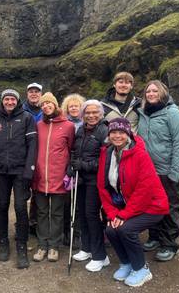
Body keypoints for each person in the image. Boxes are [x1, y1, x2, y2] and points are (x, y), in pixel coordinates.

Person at [97, 118, 169, 287]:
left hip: (153, 206)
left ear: (128, 134)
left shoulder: (140, 154)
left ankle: (142, 269)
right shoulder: (107, 154)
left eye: (121, 132)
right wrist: (113, 214)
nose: (117, 136)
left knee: (126, 229)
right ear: (109, 135)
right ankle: (127, 263)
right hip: (125, 206)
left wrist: (124, 214)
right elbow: (103, 187)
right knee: (111, 229)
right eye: (113, 132)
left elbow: (145, 190)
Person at [0, 89, 37, 269]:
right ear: (2, 101)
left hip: (20, 171)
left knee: (21, 208)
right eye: (6, 99)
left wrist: (29, 171)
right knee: (1, 207)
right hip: (0, 172)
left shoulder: (27, 118)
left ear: (17, 101)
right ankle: (4, 243)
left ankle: (21, 246)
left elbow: (32, 147)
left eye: (12, 99)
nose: (9, 102)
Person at [137, 80, 179, 262]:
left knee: (170, 206)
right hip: (148, 171)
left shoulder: (173, 114)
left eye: (154, 91)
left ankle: (169, 244)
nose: (151, 94)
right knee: (152, 205)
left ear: (163, 92)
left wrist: (175, 172)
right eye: (148, 91)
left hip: (167, 170)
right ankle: (155, 237)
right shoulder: (143, 113)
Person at [32, 92, 75, 263]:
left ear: (55, 105)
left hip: (58, 176)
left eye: (49, 103)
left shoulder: (68, 126)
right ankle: (42, 245)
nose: (45, 106)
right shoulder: (38, 125)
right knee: (41, 212)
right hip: (40, 176)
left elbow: (71, 149)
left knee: (57, 213)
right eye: (43, 104)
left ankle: (54, 246)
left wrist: (69, 169)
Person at [69, 100, 109, 272]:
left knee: (92, 216)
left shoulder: (104, 130)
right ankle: (86, 248)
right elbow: (74, 152)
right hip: (81, 180)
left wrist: (83, 165)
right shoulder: (80, 129)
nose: (91, 116)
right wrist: (72, 166)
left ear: (101, 114)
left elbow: (105, 160)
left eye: (95, 112)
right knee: (83, 215)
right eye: (87, 113)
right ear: (82, 114)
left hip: (95, 181)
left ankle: (100, 256)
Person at [61, 93, 86, 247]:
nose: (74, 108)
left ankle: (78, 233)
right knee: (67, 201)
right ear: (67, 109)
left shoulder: (86, 123)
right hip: (66, 165)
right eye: (71, 106)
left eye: (77, 106)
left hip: (83, 164)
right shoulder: (64, 123)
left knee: (80, 202)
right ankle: (66, 232)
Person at [22, 82, 43, 237]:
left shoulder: (47, 109)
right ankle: (22, 224)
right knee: (22, 192)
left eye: (37, 91)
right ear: (27, 94)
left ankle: (34, 223)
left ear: (41, 94)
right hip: (24, 155)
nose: (34, 94)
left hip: (42, 155)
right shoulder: (20, 110)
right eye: (31, 91)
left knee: (38, 191)